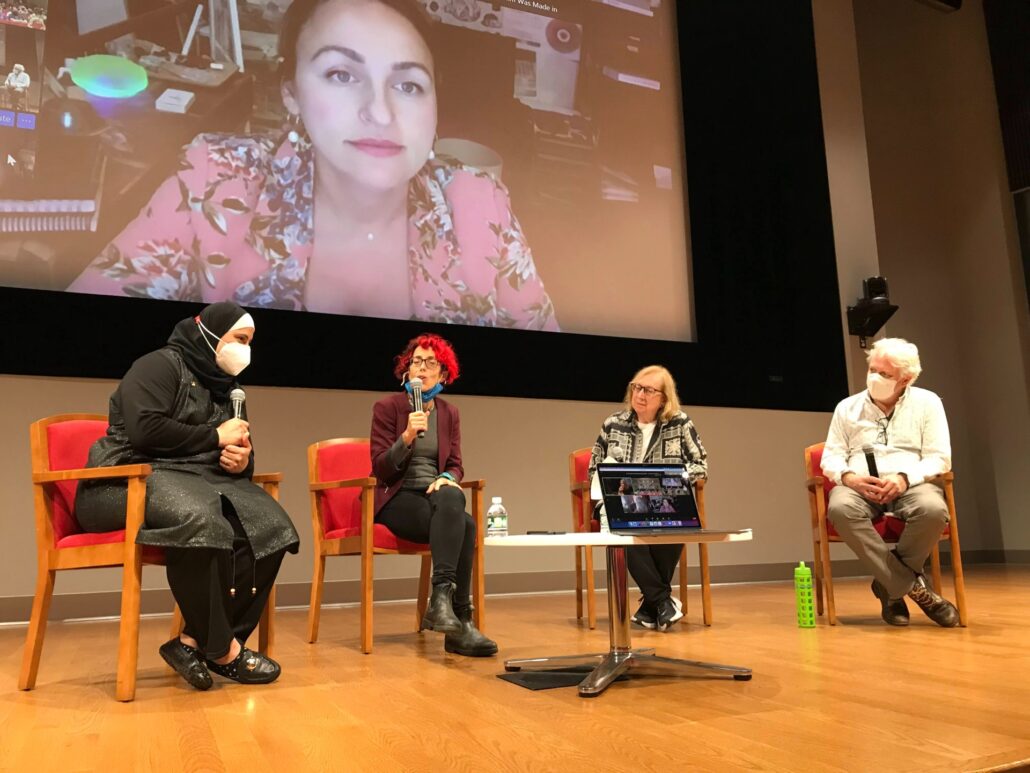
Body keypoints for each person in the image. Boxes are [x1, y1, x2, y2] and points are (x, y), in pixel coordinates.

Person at [67, 0, 558, 331]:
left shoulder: (480, 205)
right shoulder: (214, 180)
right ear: (291, 94)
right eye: (342, 74)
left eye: (408, 84)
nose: (381, 112)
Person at [75, 302, 300, 689]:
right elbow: (146, 430)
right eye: (239, 340)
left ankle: (193, 642)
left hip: (194, 482)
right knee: (200, 516)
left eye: (250, 342)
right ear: (210, 334)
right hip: (124, 482)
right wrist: (215, 438)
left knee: (270, 526)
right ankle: (225, 652)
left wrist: (240, 461)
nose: (245, 350)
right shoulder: (158, 366)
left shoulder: (228, 389)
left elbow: (237, 445)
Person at [369, 333, 497, 656]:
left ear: (443, 374)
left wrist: (446, 478)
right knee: (464, 524)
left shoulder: (449, 413)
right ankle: (458, 620)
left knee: (455, 502)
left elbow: (455, 464)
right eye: (416, 362)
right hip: (397, 499)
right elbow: (381, 468)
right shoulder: (387, 408)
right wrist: (407, 436)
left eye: (430, 363)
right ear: (406, 371)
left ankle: (444, 605)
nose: (421, 369)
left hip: (434, 498)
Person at [821, 337, 959, 627]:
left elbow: (939, 458)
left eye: (884, 374)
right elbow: (830, 457)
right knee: (840, 508)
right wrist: (849, 478)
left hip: (911, 483)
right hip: (860, 487)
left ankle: (890, 588)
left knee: (934, 510)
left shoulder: (928, 403)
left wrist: (905, 478)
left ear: (906, 378)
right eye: (872, 369)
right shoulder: (847, 408)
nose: (874, 378)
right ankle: (918, 591)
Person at [588, 365, 708, 632]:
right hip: (620, 502)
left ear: (663, 398)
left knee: (675, 518)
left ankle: (650, 607)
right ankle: (662, 601)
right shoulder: (613, 424)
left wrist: (676, 479)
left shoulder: (680, 424)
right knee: (622, 524)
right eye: (636, 387)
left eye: (648, 390)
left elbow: (701, 465)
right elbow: (593, 468)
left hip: (662, 502)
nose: (640, 394)